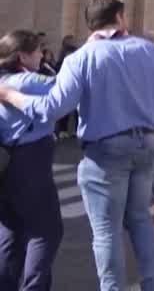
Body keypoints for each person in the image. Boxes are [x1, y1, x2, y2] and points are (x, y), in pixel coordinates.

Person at [0, 0, 154, 291]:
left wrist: (11, 97)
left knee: (106, 231)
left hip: (106, 148)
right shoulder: (149, 50)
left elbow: (53, 108)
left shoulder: (80, 58)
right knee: (141, 220)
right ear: (120, 18)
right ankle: (152, 286)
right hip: (147, 142)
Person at [0, 30, 63, 290]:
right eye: (37, 50)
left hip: (6, 161)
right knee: (46, 231)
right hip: (29, 160)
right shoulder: (25, 82)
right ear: (22, 56)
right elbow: (67, 88)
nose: (41, 55)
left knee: (11, 232)